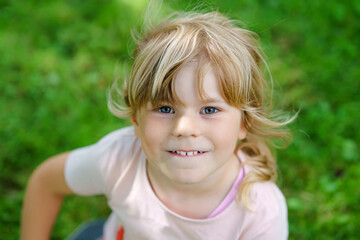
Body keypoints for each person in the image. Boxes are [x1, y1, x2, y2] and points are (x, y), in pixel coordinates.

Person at [21, 10, 294, 240]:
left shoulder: (260, 210)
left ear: (244, 123)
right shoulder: (119, 160)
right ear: (136, 119)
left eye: (209, 109)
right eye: (165, 108)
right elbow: (46, 182)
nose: (184, 127)